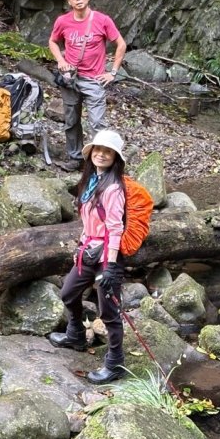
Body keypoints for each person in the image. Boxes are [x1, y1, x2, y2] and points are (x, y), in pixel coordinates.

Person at [48, 129, 128, 384]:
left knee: (109, 311)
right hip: (88, 250)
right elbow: (90, 219)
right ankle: (76, 334)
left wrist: (111, 267)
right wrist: (81, 243)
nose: (101, 154)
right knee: (68, 293)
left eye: (107, 151)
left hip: (107, 254)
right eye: (98, 149)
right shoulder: (91, 180)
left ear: (116, 157)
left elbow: (115, 228)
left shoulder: (114, 188)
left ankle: (115, 363)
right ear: (91, 153)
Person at [48, 0, 127, 172]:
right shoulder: (63, 21)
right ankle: (75, 158)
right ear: (68, 0)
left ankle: (99, 163)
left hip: (94, 80)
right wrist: (60, 60)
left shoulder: (102, 20)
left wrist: (113, 72)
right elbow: (52, 41)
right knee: (71, 120)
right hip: (71, 79)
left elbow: (121, 44)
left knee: (97, 123)